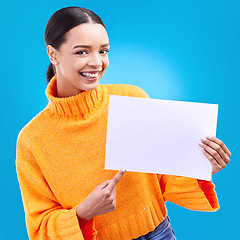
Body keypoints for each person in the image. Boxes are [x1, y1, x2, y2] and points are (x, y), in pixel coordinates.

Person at [16, 7, 231, 240]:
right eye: (82, 52)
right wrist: (83, 213)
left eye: (103, 51)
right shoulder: (33, 140)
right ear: (53, 54)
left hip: (160, 233)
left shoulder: (132, 98)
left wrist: (200, 167)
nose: (96, 62)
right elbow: (39, 226)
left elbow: (163, 177)